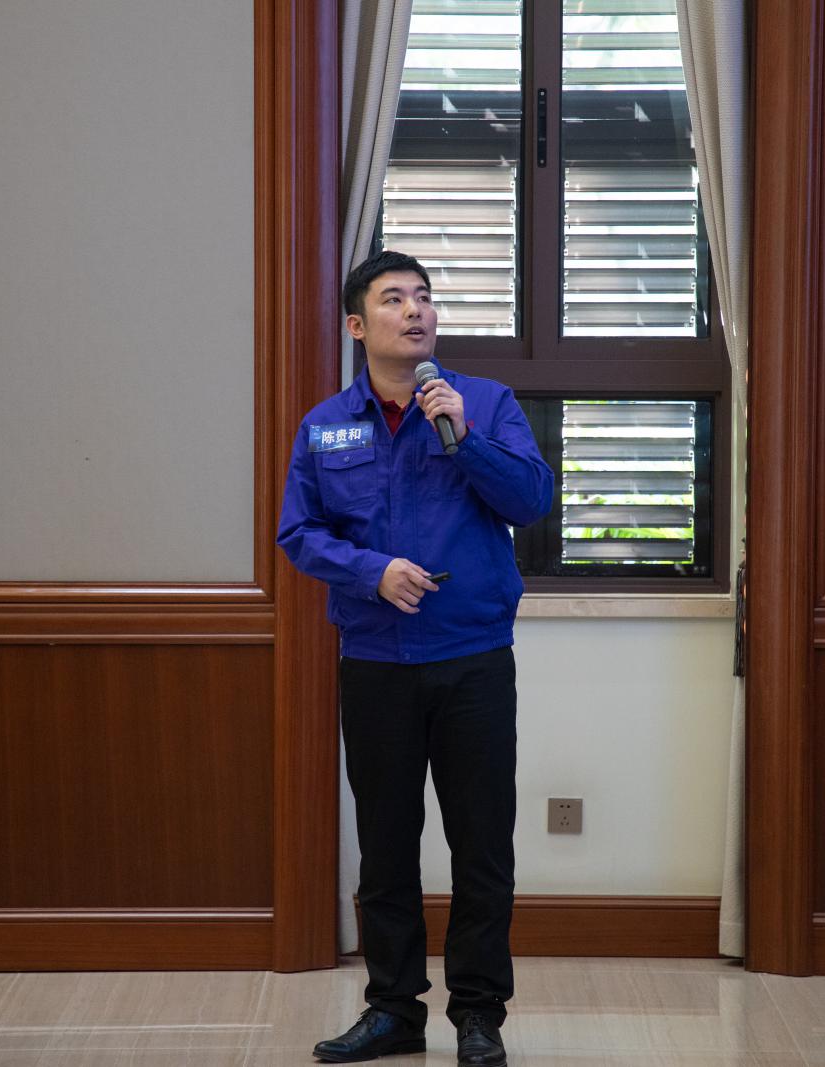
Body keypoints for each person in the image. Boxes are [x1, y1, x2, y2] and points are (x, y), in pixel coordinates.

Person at [277, 250, 552, 1066]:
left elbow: (532, 499)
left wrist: (465, 439)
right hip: (375, 661)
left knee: (481, 844)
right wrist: (372, 571)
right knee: (387, 845)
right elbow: (298, 532)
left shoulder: (485, 404)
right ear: (357, 325)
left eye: (424, 297)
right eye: (394, 298)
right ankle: (393, 1010)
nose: (415, 310)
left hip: (472, 659)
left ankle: (479, 1014)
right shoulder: (326, 424)